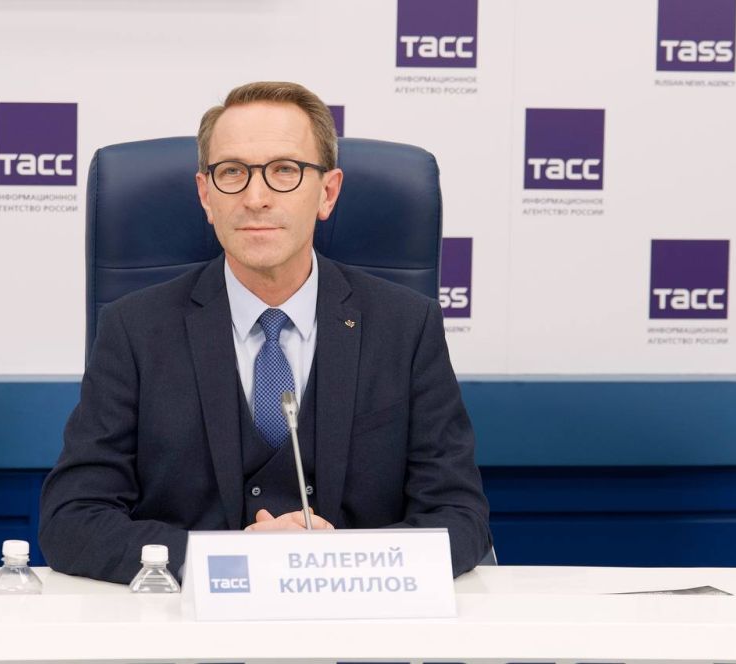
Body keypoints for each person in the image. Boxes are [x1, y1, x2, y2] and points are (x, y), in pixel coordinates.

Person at [39, 81, 491, 583]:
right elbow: (72, 520)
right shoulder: (135, 329)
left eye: (284, 171)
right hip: (190, 622)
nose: (256, 198)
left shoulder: (406, 326)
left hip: (355, 616)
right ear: (206, 195)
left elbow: (460, 519)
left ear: (327, 192)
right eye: (232, 172)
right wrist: (227, 560)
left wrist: (338, 562)